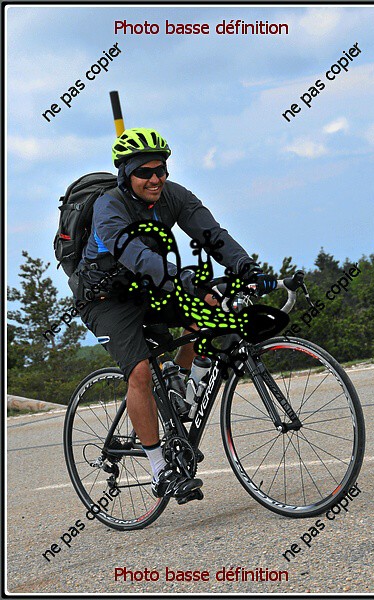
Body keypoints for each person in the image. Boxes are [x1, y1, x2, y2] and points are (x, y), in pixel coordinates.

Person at [75, 128, 276, 503]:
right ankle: (159, 469)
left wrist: (247, 268)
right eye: (144, 172)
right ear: (126, 175)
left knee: (209, 316)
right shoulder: (108, 207)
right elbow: (136, 256)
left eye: (161, 170)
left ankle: (180, 385)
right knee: (139, 371)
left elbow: (212, 234)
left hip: (148, 288)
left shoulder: (173, 195)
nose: (155, 179)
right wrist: (189, 283)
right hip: (106, 298)